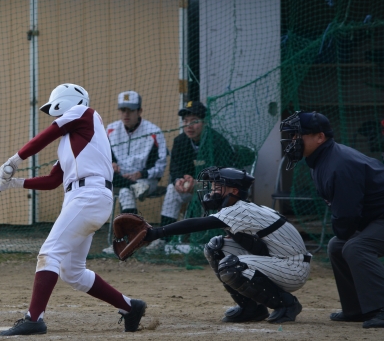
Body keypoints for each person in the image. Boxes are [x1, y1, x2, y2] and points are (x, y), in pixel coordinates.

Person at [0, 83, 146, 336]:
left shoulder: (84, 113)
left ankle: (34, 319)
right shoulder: (71, 141)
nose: (54, 115)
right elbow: (53, 180)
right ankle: (130, 307)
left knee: (49, 253)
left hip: (89, 195)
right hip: (83, 198)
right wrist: (14, 183)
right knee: (72, 272)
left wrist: (14, 160)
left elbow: (48, 134)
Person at [142, 166, 309, 323]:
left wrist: (156, 233)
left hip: (292, 268)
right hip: (279, 262)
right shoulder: (239, 208)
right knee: (216, 247)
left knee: (232, 266)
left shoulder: (238, 209)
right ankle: (251, 308)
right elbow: (260, 247)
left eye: (217, 188)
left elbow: (196, 224)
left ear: (234, 191)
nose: (212, 192)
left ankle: (287, 304)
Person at [280, 111, 384, 328]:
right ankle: (357, 309)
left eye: (298, 135)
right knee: (337, 246)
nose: (293, 141)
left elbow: (347, 215)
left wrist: (346, 232)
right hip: (376, 217)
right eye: (292, 136)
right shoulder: (322, 159)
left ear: (320, 137)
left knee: (355, 247)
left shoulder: (339, 163)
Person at [160, 100, 236, 226]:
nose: (189, 126)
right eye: (185, 121)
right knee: (171, 189)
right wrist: (178, 181)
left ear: (205, 122)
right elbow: (175, 168)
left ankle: (209, 232)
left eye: (194, 121)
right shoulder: (179, 141)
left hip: (214, 189)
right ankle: (165, 234)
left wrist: (200, 183)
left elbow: (226, 175)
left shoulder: (217, 141)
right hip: (189, 187)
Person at [105, 91, 168, 214]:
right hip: (119, 177)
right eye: (123, 110)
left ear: (140, 111)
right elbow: (102, 155)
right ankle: (133, 227)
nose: (126, 114)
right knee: (111, 181)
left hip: (146, 180)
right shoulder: (111, 129)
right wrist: (111, 163)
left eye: (131, 110)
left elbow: (160, 166)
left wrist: (141, 174)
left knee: (124, 191)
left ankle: (130, 227)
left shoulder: (154, 131)